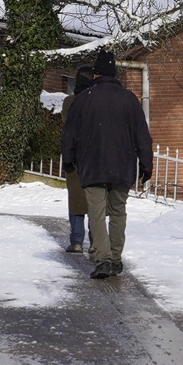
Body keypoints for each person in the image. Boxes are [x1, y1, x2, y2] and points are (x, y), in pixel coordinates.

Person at [60, 50, 152, 280]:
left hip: (92, 166)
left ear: (95, 74)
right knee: (119, 212)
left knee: (97, 213)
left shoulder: (83, 99)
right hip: (122, 166)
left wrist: (69, 159)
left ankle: (102, 260)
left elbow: (69, 134)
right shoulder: (130, 99)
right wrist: (146, 165)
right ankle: (116, 258)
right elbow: (143, 135)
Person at [58, 66, 95, 253]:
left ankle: (77, 241)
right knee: (96, 200)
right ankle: (95, 242)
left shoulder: (70, 102)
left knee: (76, 199)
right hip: (96, 157)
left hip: (74, 155)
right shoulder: (98, 101)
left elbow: (67, 127)